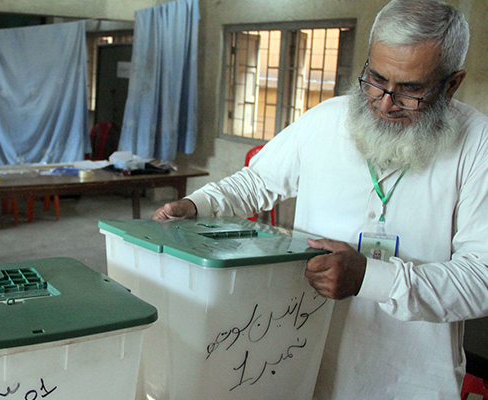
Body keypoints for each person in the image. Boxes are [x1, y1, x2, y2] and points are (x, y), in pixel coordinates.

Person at [153, 0, 488, 399]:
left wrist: (370, 278)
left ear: (451, 84)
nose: (384, 103)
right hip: (303, 358)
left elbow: (481, 277)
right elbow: (258, 181)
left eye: (409, 91)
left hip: (408, 376)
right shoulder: (328, 119)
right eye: (377, 79)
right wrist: (198, 205)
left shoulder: (477, 146)